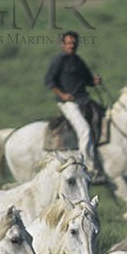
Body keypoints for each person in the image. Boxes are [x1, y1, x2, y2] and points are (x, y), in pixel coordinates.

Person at [44, 31, 105, 180]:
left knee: (104, 117)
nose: (72, 45)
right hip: (68, 103)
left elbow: (87, 80)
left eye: (74, 43)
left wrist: (94, 81)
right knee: (84, 130)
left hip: (83, 100)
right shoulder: (59, 60)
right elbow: (49, 81)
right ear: (63, 44)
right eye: (69, 43)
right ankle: (90, 169)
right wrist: (63, 95)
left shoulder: (78, 60)